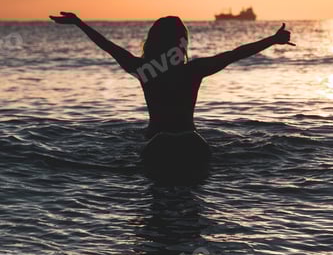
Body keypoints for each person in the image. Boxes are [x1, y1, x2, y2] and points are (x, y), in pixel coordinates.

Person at [49, 12, 295, 181]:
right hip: (193, 143)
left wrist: (79, 23)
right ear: (182, 43)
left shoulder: (145, 71)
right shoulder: (193, 70)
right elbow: (236, 53)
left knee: (159, 194)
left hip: (158, 145)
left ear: (152, 40)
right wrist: (273, 39)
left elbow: (108, 45)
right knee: (191, 197)